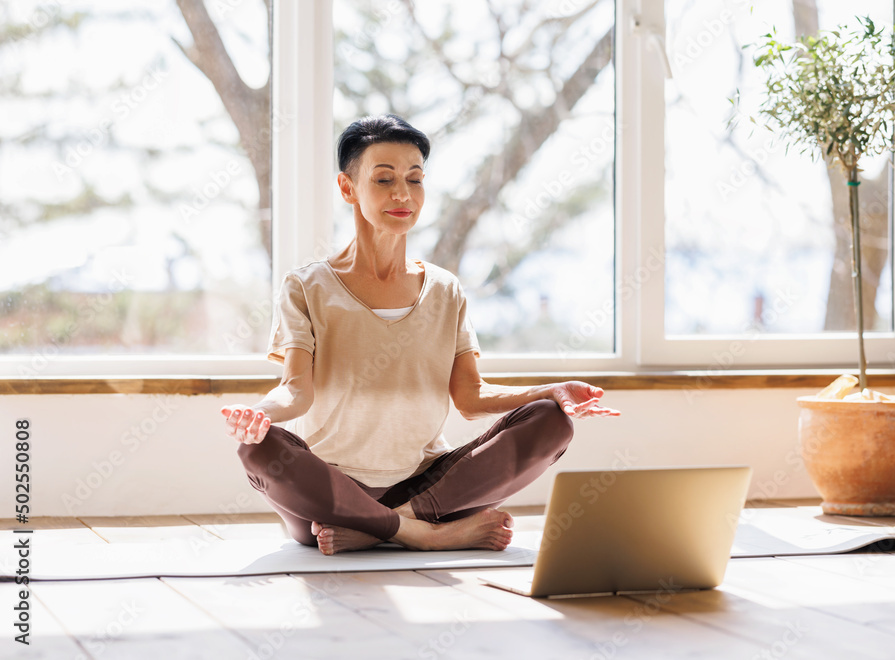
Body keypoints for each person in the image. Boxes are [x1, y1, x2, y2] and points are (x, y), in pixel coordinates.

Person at [221, 114, 619, 555]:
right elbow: (295, 392)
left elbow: (470, 398)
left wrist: (552, 390)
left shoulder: (445, 289)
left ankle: (391, 525)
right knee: (256, 450)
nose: (402, 194)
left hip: (428, 488)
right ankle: (424, 535)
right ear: (348, 187)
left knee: (550, 420)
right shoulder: (307, 287)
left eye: (415, 179)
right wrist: (256, 415)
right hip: (332, 488)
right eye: (384, 179)